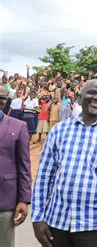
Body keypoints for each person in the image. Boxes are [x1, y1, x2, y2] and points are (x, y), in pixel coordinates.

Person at [32, 80, 97, 247]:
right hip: (57, 219)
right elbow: (44, 176)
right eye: (92, 93)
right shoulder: (59, 130)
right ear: (80, 97)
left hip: (96, 222)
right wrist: (37, 217)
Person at [0, 85, 31, 247]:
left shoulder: (18, 126)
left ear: (6, 101)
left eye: (2, 98)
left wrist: (24, 200)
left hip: (5, 201)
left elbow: (24, 165)